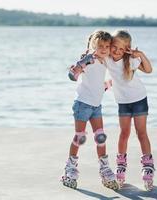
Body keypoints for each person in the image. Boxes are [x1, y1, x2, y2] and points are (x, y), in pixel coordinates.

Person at [61, 30, 118, 190]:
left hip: (96, 106)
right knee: (80, 137)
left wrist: (106, 85)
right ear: (94, 45)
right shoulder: (89, 58)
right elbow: (73, 76)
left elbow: (101, 78)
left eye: (107, 46)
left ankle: (105, 169)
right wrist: (81, 64)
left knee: (101, 137)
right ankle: (70, 169)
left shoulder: (106, 60)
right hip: (82, 105)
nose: (104, 49)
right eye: (100, 46)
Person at [106, 30, 155, 191]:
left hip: (139, 99)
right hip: (123, 102)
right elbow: (97, 54)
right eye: (114, 47)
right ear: (110, 45)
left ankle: (147, 168)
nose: (117, 51)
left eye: (121, 49)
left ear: (127, 49)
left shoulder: (131, 59)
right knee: (124, 133)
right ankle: (120, 167)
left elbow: (148, 70)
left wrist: (140, 54)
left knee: (141, 133)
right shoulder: (107, 59)